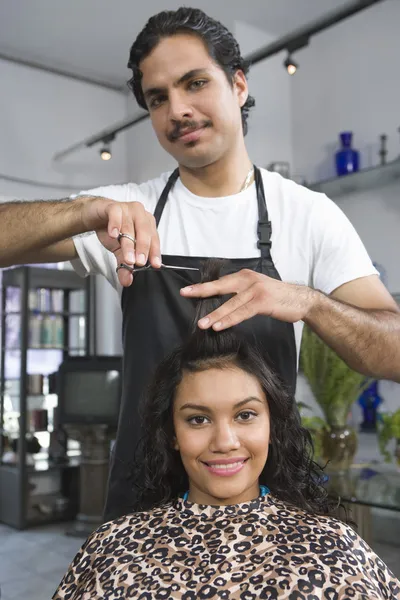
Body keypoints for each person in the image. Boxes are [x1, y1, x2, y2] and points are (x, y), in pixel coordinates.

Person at [1, 7, 399, 522]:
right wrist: (83, 210)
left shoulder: (307, 214)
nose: (178, 110)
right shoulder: (125, 212)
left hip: (267, 510)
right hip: (142, 509)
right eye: (158, 98)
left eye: (195, 83)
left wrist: (305, 302)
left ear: (237, 85)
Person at [52, 260, 400, 600]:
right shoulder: (114, 546)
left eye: (245, 415)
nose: (224, 442)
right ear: (171, 433)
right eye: (198, 419)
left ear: (272, 426)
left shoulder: (333, 547)